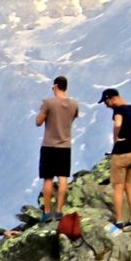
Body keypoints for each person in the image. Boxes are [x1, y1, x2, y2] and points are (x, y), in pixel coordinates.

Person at [34, 75, 80, 216]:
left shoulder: (49, 103)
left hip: (49, 145)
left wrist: (43, 109)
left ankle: (47, 212)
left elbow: (38, 122)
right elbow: (72, 118)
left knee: (48, 179)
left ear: (55, 86)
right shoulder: (74, 104)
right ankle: (60, 210)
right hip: (65, 146)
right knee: (63, 178)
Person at [100, 88, 131, 224]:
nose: (106, 105)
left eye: (106, 101)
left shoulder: (118, 111)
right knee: (129, 186)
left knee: (118, 187)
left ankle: (119, 220)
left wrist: (115, 137)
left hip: (120, 154)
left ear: (112, 98)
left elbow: (118, 124)